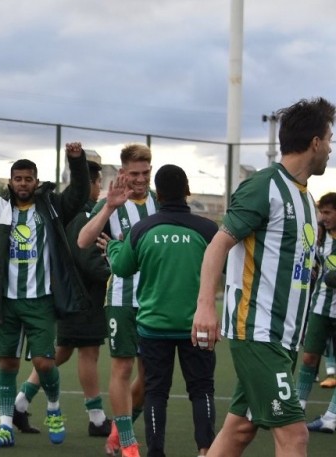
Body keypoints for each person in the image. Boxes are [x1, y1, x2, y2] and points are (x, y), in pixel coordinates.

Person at [193, 96, 335, 457]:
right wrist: (205, 307)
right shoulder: (264, 186)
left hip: (283, 340)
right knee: (295, 435)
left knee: (239, 431)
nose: (331, 148)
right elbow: (217, 245)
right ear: (315, 143)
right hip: (258, 333)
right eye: (329, 139)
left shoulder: (305, 198)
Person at [0, 135, 90, 448]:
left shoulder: (51, 208)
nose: (23, 183)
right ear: (10, 181)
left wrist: (76, 163)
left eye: (28, 179)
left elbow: (78, 194)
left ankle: (53, 408)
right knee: (7, 364)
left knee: (44, 364)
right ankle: (5, 427)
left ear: (36, 181)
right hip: (6, 302)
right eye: (18, 179)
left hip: (41, 301)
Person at [105, 164, 217, 457]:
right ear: (188, 191)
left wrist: (114, 248)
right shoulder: (208, 230)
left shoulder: (143, 229)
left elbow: (121, 267)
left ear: (159, 193)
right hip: (197, 325)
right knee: (202, 389)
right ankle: (205, 449)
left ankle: (156, 452)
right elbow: (223, 268)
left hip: (153, 326)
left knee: (156, 392)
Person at [12, 160, 113, 438]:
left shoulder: (65, 211)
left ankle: (20, 403)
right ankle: (96, 418)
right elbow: (88, 260)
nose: (100, 186)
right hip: (82, 297)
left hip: (68, 293)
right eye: (98, 181)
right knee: (89, 352)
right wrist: (114, 269)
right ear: (90, 182)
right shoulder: (82, 214)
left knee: (60, 352)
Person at [77, 144, 157, 457]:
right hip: (122, 298)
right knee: (122, 368)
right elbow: (83, 240)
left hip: (154, 300)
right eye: (134, 173)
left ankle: (116, 434)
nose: (140, 179)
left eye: (145, 172)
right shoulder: (113, 203)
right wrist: (108, 208)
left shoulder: (159, 203)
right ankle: (128, 442)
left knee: (150, 376)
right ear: (123, 173)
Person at [296, 192, 336, 433]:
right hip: (320, 306)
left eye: (328, 213)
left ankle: (332, 417)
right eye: (322, 212)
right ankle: (297, 409)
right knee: (309, 357)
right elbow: (313, 267)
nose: (323, 217)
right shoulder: (319, 236)